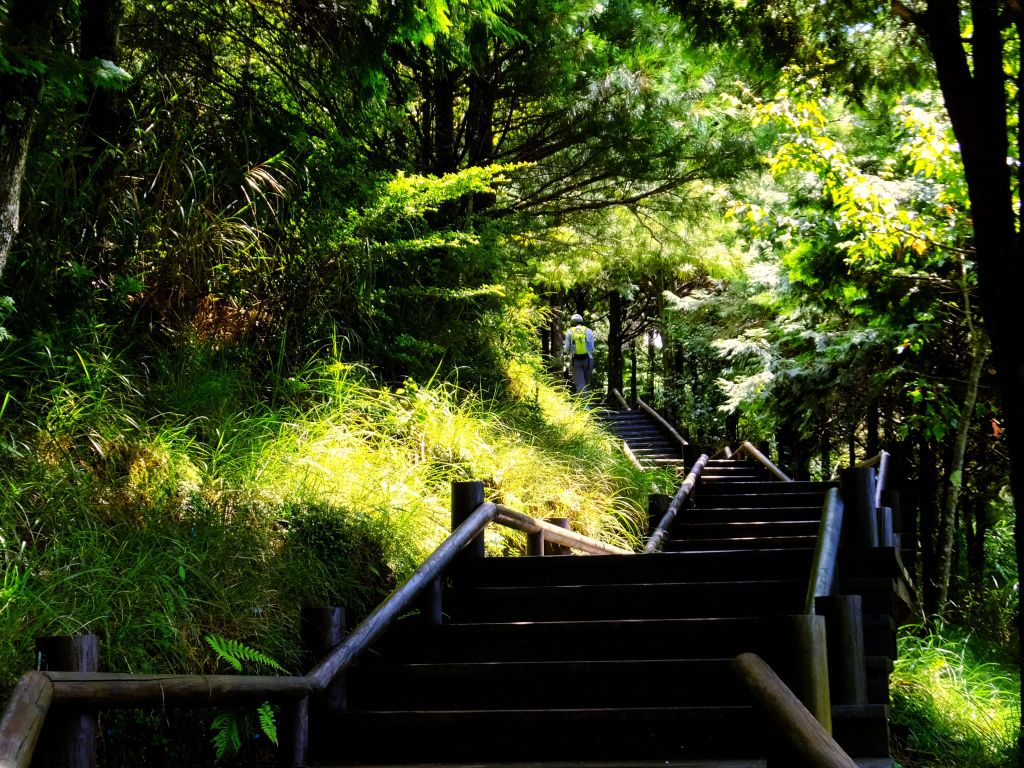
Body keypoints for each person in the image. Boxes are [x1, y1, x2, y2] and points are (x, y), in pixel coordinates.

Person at [563, 313, 595, 394]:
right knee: (587, 383)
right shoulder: (589, 331)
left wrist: (570, 352)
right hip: (588, 360)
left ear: (572, 322)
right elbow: (592, 348)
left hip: (576, 360)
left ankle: (583, 406)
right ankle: (587, 404)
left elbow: (567, 348)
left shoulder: (570, 332)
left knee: (580, 383)